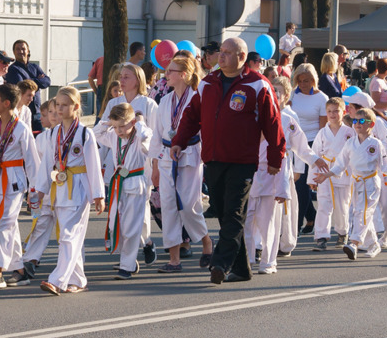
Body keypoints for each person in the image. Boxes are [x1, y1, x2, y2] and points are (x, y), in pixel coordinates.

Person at [170, 37, 285, 284]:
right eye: (220, 52)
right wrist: (179, 139)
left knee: (234, 212)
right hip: (213, 158)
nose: (220, 56)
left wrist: (276, 156)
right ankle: (242, 269)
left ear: (242, 57)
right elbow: (192, 115)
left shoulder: (258, 85)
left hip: (242, 161)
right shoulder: (208, 83)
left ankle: (220, 263)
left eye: (227, 53)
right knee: (224, 213)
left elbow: (273, 123)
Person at [248, 76, 325, 273]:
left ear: (286, 97)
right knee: (248, 220)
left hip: (276, 172)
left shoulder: (288, 120)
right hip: (251, 173)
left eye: (278, 91)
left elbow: (301, 147)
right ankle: (247, 257)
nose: (273, 94)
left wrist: (314, 160)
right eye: (270, 90)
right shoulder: (253, 116)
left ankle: (269, 260)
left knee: (271, 220)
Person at [35, 87, 105, 295]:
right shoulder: (54, 133)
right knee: (70, 236)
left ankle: (57, 280)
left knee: (68, 235)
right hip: (59, 187)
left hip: (79, 187)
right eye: (57, 104)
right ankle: (79, 279)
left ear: (75, 107)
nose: (59, 109)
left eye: (64, 105)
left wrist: (98, 195)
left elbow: (93, 164)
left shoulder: (85, 133)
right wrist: (40, 190)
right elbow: (47, 163)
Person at [148, 55, 213, 273]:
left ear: (183, 75)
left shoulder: (197, 98)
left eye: (170, 72)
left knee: (188, 206)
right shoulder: (165, 101)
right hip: (167, 156)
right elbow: (156, 136)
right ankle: (174, 259)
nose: (165, 76)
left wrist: (206, 157)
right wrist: (155, 166)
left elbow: (205, 131)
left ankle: (206, 242)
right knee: (168, 207)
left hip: (190, 155)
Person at [0, 84, 39, 288]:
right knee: (7, 225)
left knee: (4, 224)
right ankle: (20, 270)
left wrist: (35, 189)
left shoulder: (21, 128)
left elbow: (32, 161)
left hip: (13, 180)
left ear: (6, 103)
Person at [315, 108, 387, 260]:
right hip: (355, 182)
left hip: (371, 182)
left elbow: (385, 164)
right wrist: (326, 174)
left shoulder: (376, 144)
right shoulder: (350, 143)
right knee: (359, 212)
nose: (358, 124)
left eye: (362, 121)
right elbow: (340, 164)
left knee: (363, 212)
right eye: (356, 121)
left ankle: (354, 243)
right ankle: (374, 244)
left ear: (371, 124)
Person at [101, 63, 159, 264]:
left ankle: (139, 246)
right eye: (121, 76)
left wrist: (157, 166)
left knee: (140, 209)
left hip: (141, 162)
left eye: (127, 76)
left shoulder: (148, 104)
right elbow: (103, 131)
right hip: (118, 163)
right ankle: (144, 243)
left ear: (138, 80)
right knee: (123, 211)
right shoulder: (113, 103)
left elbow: (154, 136)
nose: (122, 80)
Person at [95, 103, 152, 279]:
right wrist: (107, 123)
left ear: (132, 122)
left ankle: (127, 266)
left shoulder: (139, 137)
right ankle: (145, 245)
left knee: (131, 227)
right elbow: (96, 134)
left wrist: (139, 122)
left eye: (123, 126)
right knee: (117, 223)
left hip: (135, 182)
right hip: (118, 182)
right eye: (116, 126)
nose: (119, 130)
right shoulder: (113, 136)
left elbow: (146, 135)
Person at [308, 97, 354, 250]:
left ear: (344, 112)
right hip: (324, 171)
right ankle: (321, 237)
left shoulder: (350, 132)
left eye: (336, 111)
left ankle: (342, 233)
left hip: (344, 172)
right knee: (324, 205)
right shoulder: (322, 133)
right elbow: (314, 155)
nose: (333, 114)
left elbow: (354, 154)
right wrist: (312, 178)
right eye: (329, 112)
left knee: (342, 205)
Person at [21, 98, 60, 278]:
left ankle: (72, 263)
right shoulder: (42, 138)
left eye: (53, 112)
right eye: (47, 113)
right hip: (44, 188)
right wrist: (34, 190)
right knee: (40, 224)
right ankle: (31, 259)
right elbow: (35, 167)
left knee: (66, 228)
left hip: (65, 188)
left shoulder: (74, 134)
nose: (51, 117)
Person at [289, 63, 328, 236]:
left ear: (314, 80)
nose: (303, 84)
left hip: (311, 142)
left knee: (302, 184)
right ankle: (311, 216)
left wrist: (319, 151)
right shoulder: (293, 95)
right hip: (292, 142)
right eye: (300, 81)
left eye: (306, 81)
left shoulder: (322, 98)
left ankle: (295, 224)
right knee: (295, 182)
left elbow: (323, 128)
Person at [5, 39, 51, 132]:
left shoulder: (35, 67)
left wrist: (29, 80)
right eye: (17, 49)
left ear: (28, 51)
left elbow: (47, 81)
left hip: (37, 113)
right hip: (22, 112)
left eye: (23, 49)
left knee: (41, 141)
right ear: (14, 52)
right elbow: (20, 85)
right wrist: (38, 79)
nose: (21, 51)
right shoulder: (12, 69)